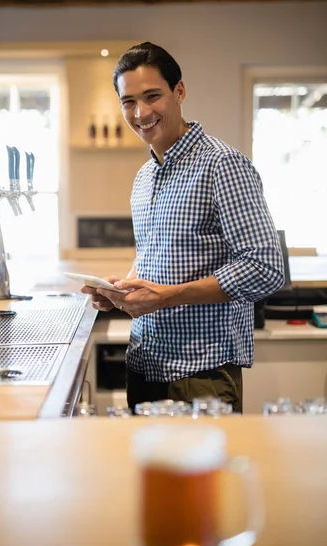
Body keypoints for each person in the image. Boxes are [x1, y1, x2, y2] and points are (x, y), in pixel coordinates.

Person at [81, 41, 284, 414]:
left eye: (152, 96)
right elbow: (153, 257)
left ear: (179, 91)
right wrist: (120, 291)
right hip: (144, 366)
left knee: (202, 475)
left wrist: (167, 296)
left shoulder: (222, 165)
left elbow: (265, 268)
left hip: (200, 375)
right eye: (128, 102)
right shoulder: (144, 177)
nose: (141, 113)